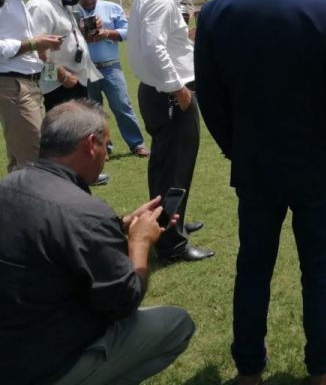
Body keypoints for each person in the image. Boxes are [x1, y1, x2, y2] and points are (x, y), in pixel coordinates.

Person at [195, 0, 326, 385]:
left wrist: (236, 146)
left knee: (253, 264)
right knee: (319, 265)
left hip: (253, 163)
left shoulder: (216, 12)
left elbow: (210, 97)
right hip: (316, 164)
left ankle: (249, 366)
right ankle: (322, 363)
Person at [0, 99, 195, 384]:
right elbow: (123, 303)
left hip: (14, 346)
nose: (106, 155)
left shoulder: (8, 186)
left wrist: (119, 226)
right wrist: (140, 244)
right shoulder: (86, 213)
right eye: (107, 145)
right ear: (91, 144)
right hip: (43, 366)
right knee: (177, 324)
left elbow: (45, 236)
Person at [128, 0, 212, 263]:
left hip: (160, 91)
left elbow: (165, 43)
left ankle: (169, 223)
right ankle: (171, 243)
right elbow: (154, 49)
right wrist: (178, 89)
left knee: (167, 165)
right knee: (175, 168)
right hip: (169, 94)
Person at [0, 0, 63, 172]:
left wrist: (40, 45)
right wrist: (34, 44)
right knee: (34, 160)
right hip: (14, 85)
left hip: (29, 84)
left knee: (22, 161)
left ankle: (14, 206)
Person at [77, 0, 149, 157]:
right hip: (85, 68)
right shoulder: (72, 11)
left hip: (110, 66)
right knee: (92, 111)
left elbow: (129, 31)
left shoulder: (112, 8)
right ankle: (103, 148)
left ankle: (137, 143)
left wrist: (106, 33)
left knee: (122, 105)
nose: (88, 1)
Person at [26, 0, 102, 111]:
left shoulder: (61, 2)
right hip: (59, 87)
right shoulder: (40, 6)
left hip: (75, 81)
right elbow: (35, 51)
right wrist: (61, 75)